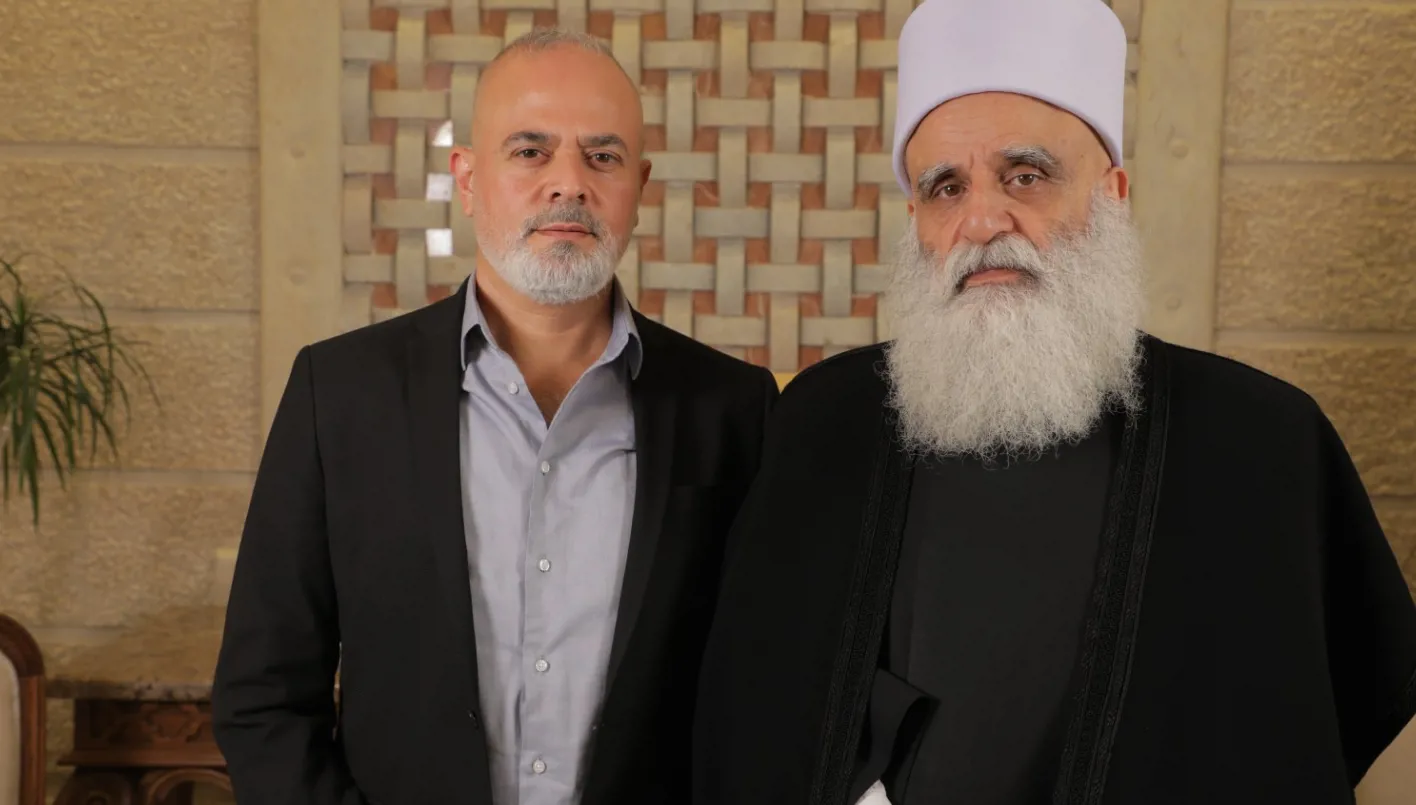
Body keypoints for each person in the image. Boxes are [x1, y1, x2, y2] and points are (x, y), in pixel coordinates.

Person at [691, 0, 1416, 803]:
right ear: (915, 221)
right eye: (945, 187)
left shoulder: (1261, 441)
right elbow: (754, 710)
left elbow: (1301, 735)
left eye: (1025, 176)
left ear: (1113, 195)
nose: (981, 220)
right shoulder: (824, 423)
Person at [213, 29, 779, 805]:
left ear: (639, 185)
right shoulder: (339, 395)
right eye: (530, 151)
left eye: (603, 156)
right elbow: (263, 696)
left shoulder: (734, 412)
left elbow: (763, 694)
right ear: (469, 179)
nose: (569, 183)